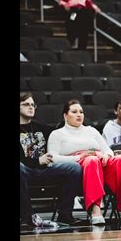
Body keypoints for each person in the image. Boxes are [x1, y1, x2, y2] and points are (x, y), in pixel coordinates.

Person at [48, 100, 121, 225]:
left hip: (100, 162)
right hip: (79, 167)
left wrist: (106, 155)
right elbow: (53, 158)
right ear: (65, 116)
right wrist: (79, 157)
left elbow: (108, 150)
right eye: (74, 112)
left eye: (81, 112)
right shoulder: (57, 134)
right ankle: (95, 209)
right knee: (91, 160)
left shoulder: (91, 130)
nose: (79, 115)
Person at [20, 92, 83, 226]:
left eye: (32, 105)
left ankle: (65, 214)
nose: (30, 107)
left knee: (74, 168)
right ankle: (27, 216)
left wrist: (71, 118)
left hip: (45, 170)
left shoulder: (40, 127)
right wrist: (37, 161)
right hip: (26, 171)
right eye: (26, 104)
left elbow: (61, 130)